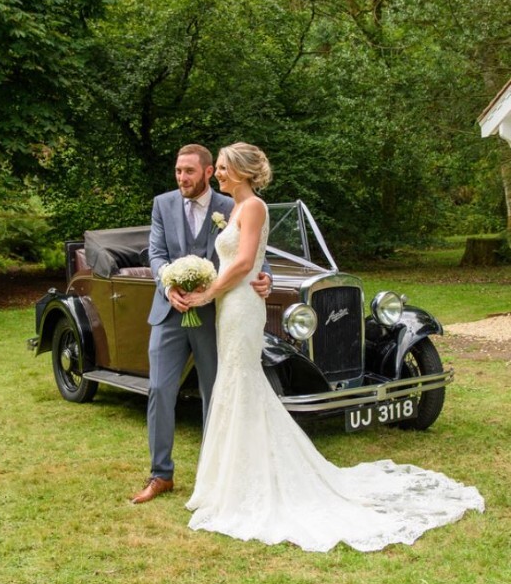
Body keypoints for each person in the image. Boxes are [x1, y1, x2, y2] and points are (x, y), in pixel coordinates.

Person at [184, 142, 485, 553]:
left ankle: (250, 483)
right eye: (217, 168)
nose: (216, 174)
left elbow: (243, 262)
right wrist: (208, 287)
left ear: (242, 171)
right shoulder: (235, 209)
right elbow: (240, 263)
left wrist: (208, 292)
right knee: (236, 382)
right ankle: (233, 480)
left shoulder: (253, 207)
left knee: (243, 380)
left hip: (239, 305)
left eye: (221, 168)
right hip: (230, 305)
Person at [131, 144, 272, 505]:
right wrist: (169, 283)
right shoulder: (162, 204)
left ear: (209, 172)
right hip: (168, 313)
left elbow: (253, 252)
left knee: (216, 393)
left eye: (189, 172)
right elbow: (156, 253)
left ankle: (214, 477)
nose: (182, 178)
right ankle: (160, 475)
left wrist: (265, 277)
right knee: (160, 391)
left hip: (215, 315)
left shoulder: (232, 203)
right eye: (178, 171)